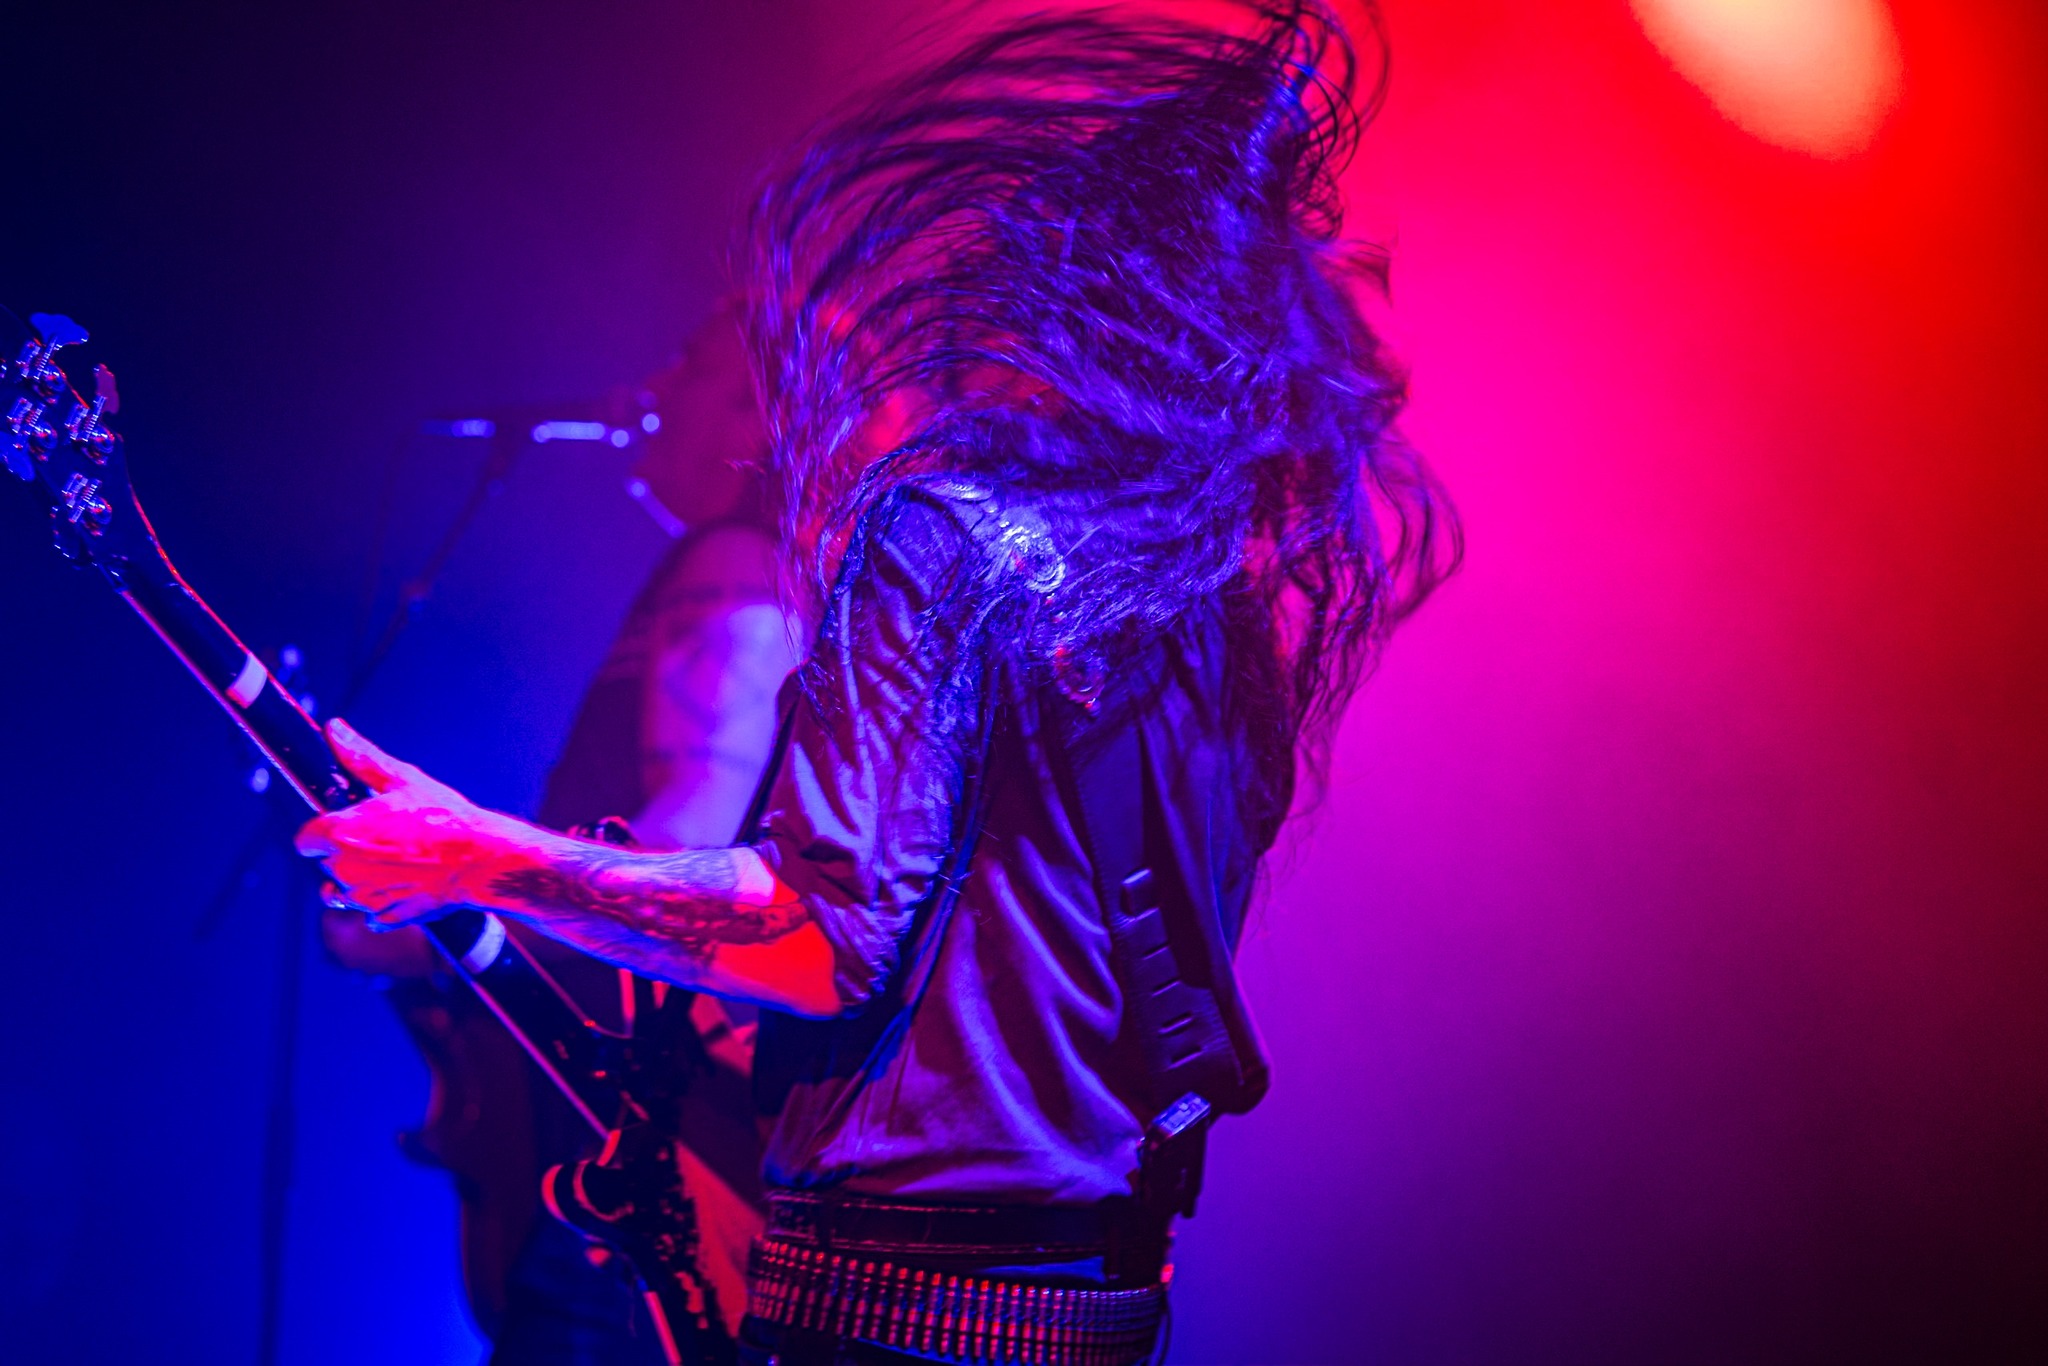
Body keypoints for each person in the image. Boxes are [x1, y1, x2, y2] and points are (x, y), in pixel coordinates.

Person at [298, 5, 1458, 1362]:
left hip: (891, 1308)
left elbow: (817, 938)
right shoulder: (1225, 607)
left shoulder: (941, 537)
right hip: (1100, 1306)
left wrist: (475, 855)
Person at [322, 304, 802, 1365]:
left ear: (751, 412)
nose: (655, 385)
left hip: (637, 1122)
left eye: (690, 362)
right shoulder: (734, 564)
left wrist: (446, 889)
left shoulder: (733, 562)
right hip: (634, 1113)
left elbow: (681, 847)